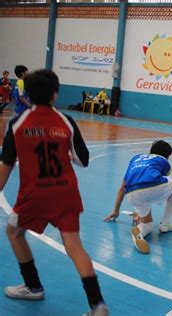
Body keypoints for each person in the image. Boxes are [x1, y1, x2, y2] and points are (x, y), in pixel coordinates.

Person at [0, 69, 109, 315]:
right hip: (66, 193)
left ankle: (33, 286)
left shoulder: (17, 124)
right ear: (55, 94)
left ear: (27, 93)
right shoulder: (66, 122)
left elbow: (5, 166)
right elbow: (83, 160)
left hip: (34, 195)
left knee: (14, 232)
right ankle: (97, 304)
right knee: (74, 245)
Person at [104, 140, 172, 255]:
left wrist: (116, 211)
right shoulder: (164, 162)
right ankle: (165, 223)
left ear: (151, 150)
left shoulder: (135, 158)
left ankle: (139, 232)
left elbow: (123, 187)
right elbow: (154, 188)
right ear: (168, 155)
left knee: (147, 224)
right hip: (151, 186)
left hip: (131, 193)